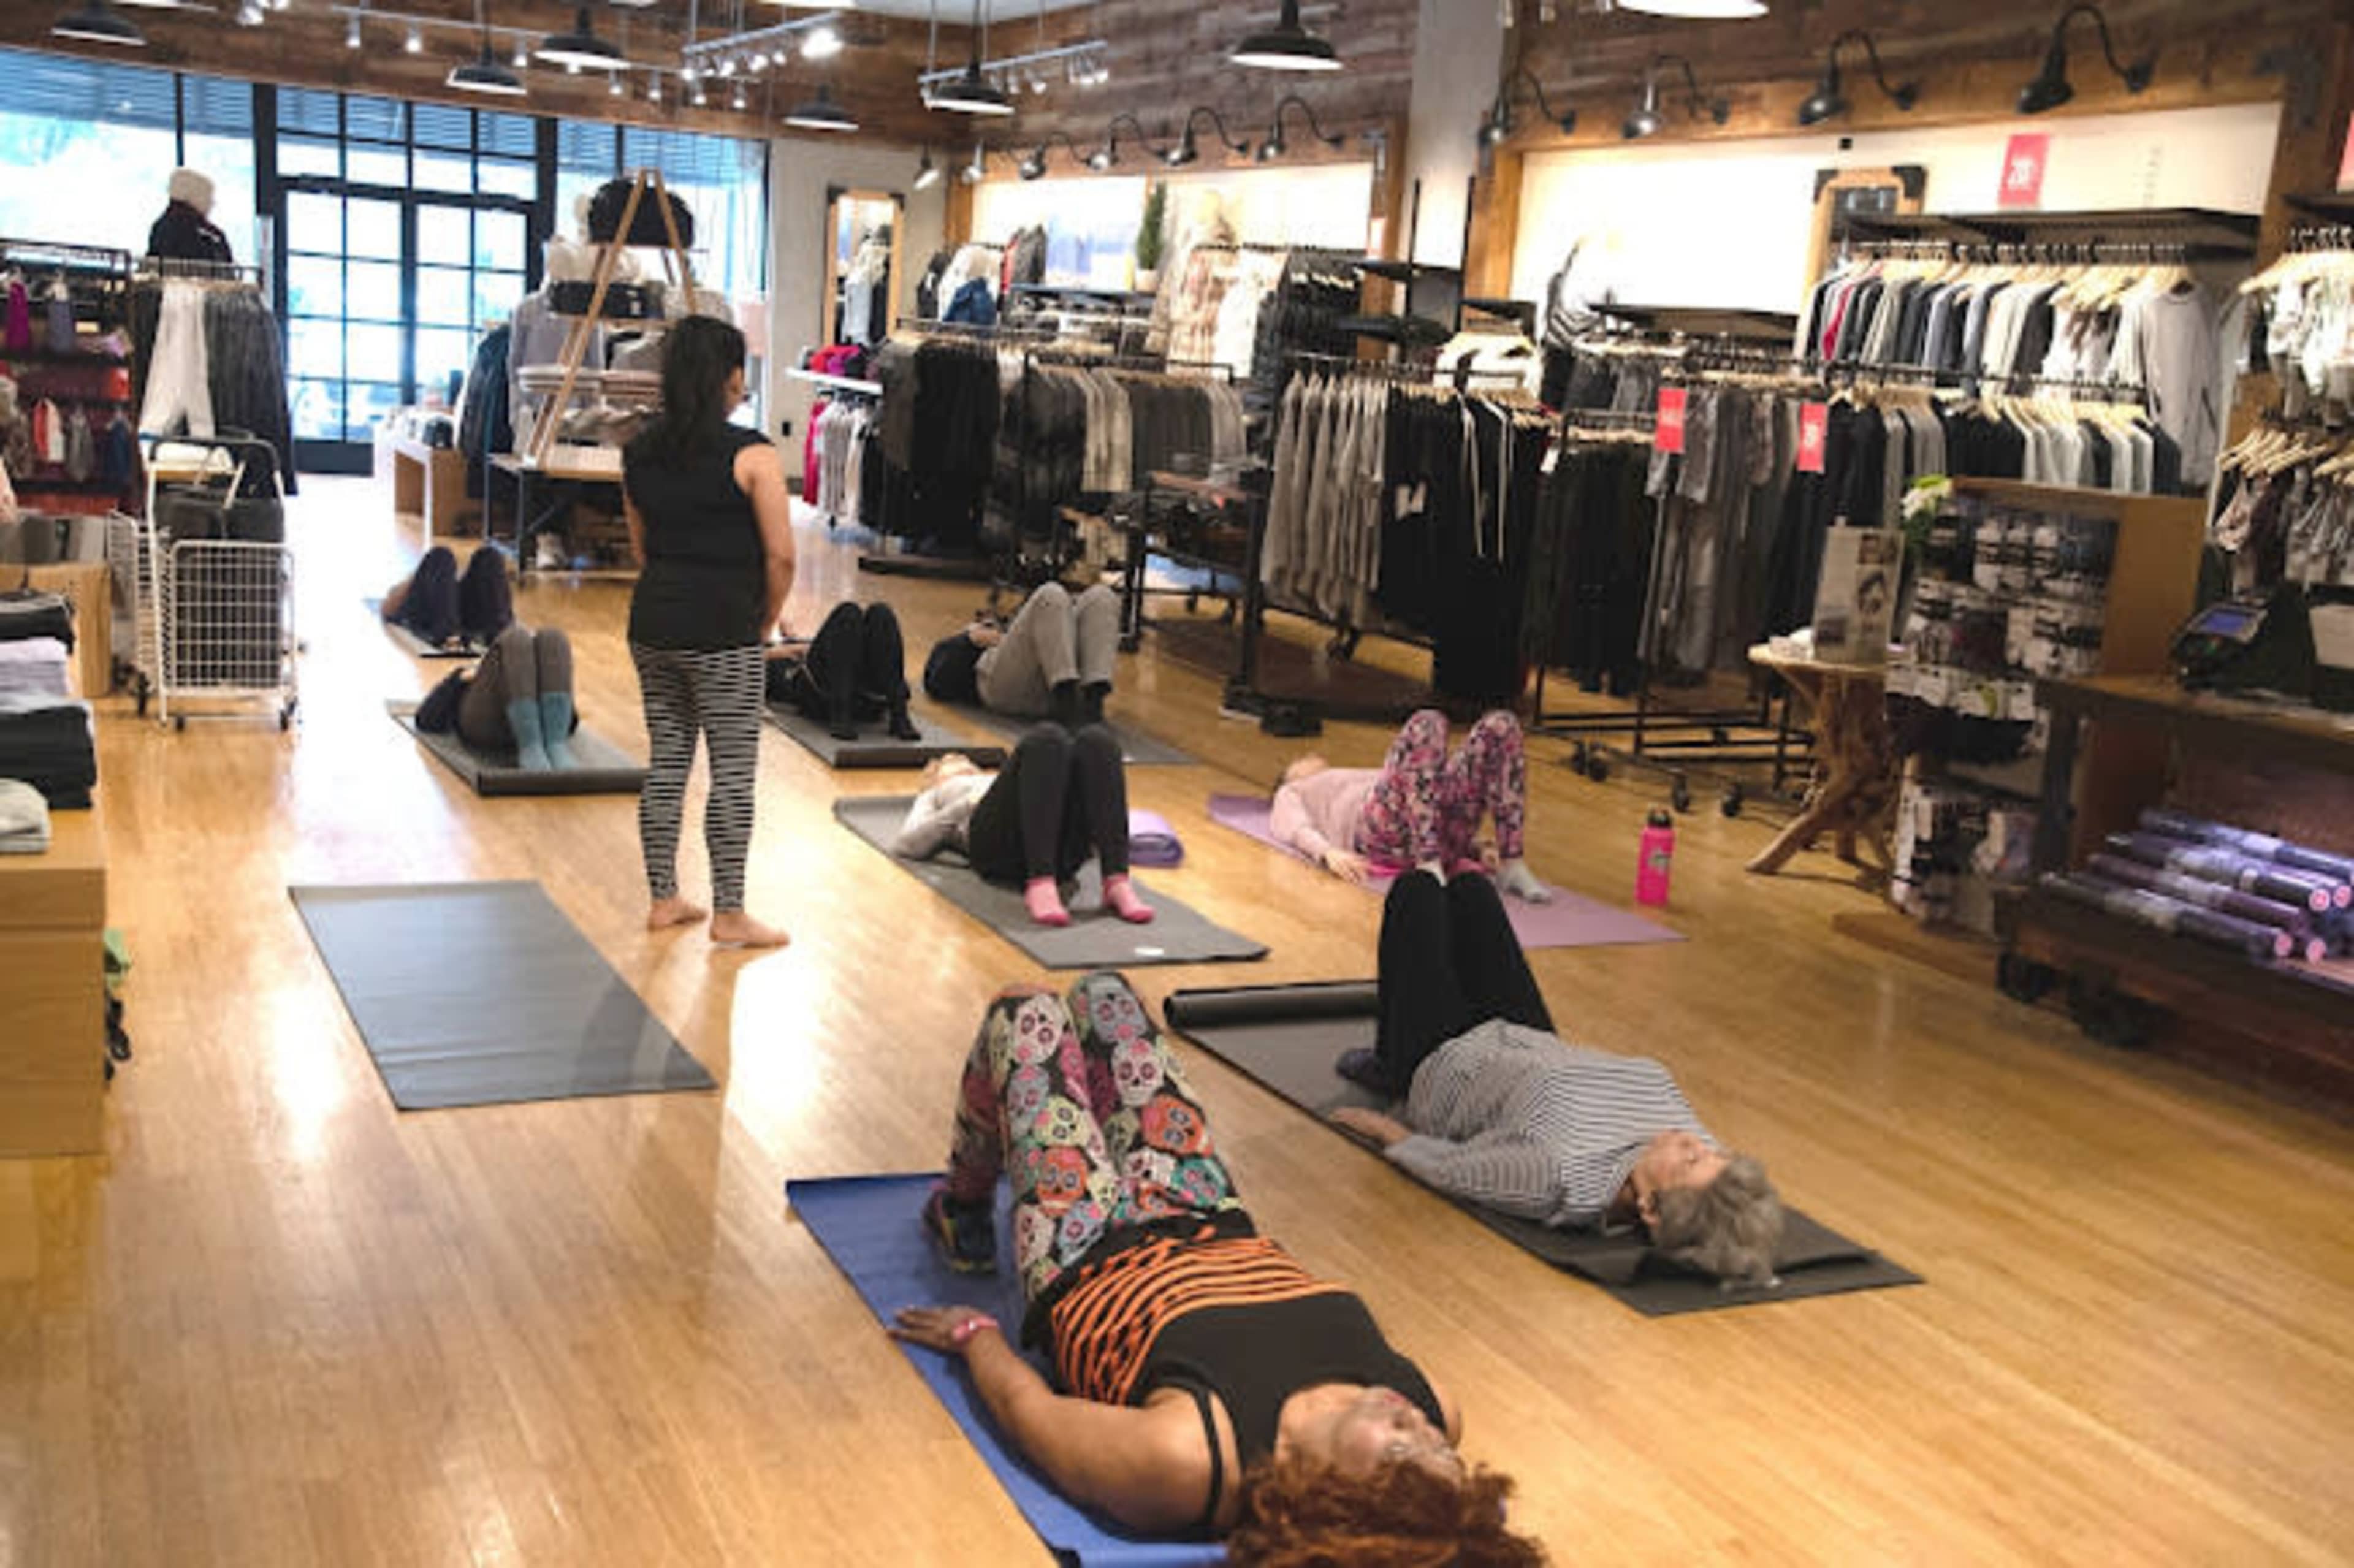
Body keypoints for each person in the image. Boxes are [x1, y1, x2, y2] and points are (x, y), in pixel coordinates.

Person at [891, 973, 1546, 1562]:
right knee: (1106, 999)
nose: (1421, 1424)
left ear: (1339, 1503)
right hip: (1208, 1213)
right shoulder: (1437, 1404)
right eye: (1444, 1451)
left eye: (1404, 1450)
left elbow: (1030, 1411)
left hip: (1082, 1248)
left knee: (1023, 1009)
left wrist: (974, 1337)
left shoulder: (1191, 1458)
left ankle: (962, 1200)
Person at [1331, 870, 1784, 1288]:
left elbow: (1451, 1169)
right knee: (1472, 892)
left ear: (1649, 1208)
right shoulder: (1691, 1150)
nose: (1694, 1144)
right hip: (1529, 1040)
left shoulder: (1555, 1178)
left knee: (1417, 892)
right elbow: (1734, 1219)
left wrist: (1383, 1128)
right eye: (1711, 1151)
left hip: (1445, 1062)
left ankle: (1390, 1062)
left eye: (1690, 1162)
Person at [622, 315, 793, 950]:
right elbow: (781, 556)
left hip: (654, 623)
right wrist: (764, 620)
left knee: (667, 760)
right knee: (732, 772)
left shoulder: (638, 452)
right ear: (726, 377)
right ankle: (730, 910)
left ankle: (664, 896)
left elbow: (642, 547)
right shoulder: (753, 453)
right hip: (725, 629)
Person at [1271, 708, 1553, 903]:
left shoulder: (1360, 776)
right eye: (1301, 759)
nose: (1309, 755)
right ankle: (1428, 862)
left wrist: (1476, 848)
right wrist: (1328, 853)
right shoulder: (1295, 789)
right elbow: (1295, 828)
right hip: (1384, 833)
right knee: (1427, 722)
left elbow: (1422, 791)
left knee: (1502, 725)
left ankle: (1512, 860)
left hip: (1438, 824)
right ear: (1290, 774)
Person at [891, 725, 1153, 927]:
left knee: (1097, 741)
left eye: (967, 763)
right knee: (1045, 739)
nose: (963, 765)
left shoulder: (1009, 779)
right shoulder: (936, 794)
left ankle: (1116, 880)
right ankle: (1040, 881)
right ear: (936, 778)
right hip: (998, 848)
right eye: (950, 765)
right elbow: (907, 845)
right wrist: (966, 804)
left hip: (1057, 848)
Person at [924, 580, 1119, 726]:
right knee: (1050, 594)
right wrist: (969, 639)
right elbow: (934, 681)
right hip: (998, 688)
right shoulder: (959, 644)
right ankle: (1067, 700)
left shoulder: (1025, 628)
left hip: (1055, 683)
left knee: (1102, 596)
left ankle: (1093, 699)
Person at [413, 625, 578, 772]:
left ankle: (553, 746)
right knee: (516, 638)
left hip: (535, 726)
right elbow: (425, 718)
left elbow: (571, 720)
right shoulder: (480, 674)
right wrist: (460, 678)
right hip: (486, 723)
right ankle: (533, 746)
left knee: (553, 636)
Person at [766, 600, 921, 743]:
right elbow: (749, 658)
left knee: (881, 613)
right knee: (848, 613)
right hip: (819, 696)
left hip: (862, 695)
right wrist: (784, 650)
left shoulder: (784, 635)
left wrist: (795, 638)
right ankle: (842, 712)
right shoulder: (755, 649)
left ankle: (899, 713)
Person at [381, 544, 512, 652]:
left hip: (460, 615)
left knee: (488, 556)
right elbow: (388, 607)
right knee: (442, 556)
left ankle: (494, 631)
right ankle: (450, 634)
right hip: (446, 619)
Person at [147, 168, 234, 265]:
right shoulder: (209, 236)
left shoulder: (160, 228)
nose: (213, 203)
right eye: (208, 196)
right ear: (193, 196)